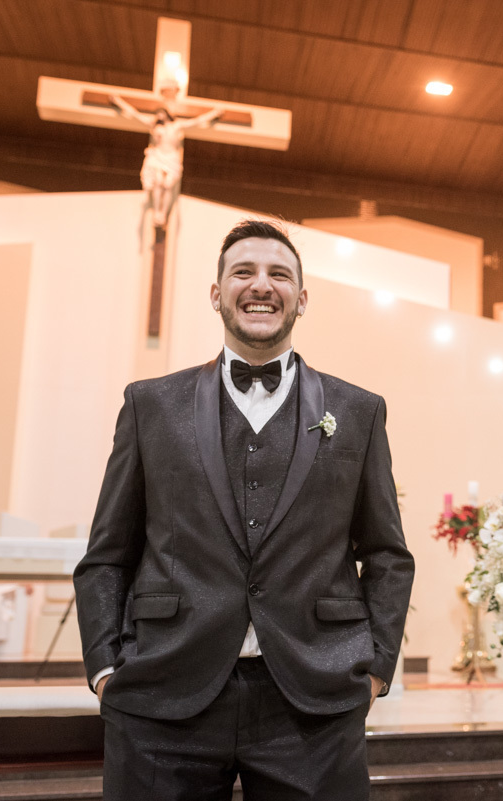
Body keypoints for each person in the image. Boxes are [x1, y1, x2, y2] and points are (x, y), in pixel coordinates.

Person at [73, 219, 414, 800]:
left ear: (302, 298)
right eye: (243, 272)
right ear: (216, 294)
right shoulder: (150, 404)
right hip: (162, 696)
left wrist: (375, 668)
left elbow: (385, 553)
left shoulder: (359, 410)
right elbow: (108, 552)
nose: (262, 285)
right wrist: (106, 667)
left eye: (280, 274)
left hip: (315, 701)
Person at [110, 84, 224, 229]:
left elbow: (197, 121)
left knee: (168, 184)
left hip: (171, 158)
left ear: (166, 114)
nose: (159, 116)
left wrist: (214, 113)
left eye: (161, 113)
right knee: (158, 181)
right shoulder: (154, 126)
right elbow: (135, 114)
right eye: (157, 114)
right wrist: (118, 101)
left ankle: (164, 213)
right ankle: (157, 213)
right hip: (158, 157)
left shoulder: (176, 126)